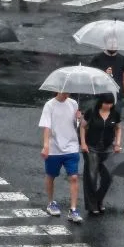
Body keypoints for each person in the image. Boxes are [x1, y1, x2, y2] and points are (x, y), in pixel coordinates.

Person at [39, 92, 82, 222]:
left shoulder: (74, 103)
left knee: (74, 177)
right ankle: (51, 202)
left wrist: (80, 118)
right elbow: (46, 127)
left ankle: (73, 210)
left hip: (71, 146)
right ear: (58, 90)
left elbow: (78, 125)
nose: (67, 93)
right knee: (51, 176)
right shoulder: (49, 105)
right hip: (54, 149)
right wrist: (46, 146)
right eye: (64, 90)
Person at [79, 93, 122, 215]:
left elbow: (118, 128)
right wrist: (83, 143)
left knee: (108, 177)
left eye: (110, 103)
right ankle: (92, 205)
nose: (108, 106)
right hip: (92, 148)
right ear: (100, 102)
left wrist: (117, 143)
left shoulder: (115, 114)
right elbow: (83, 127)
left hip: (107, 149)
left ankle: (98, 199)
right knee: (91, 177)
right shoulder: (91, 112)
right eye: (106, 103)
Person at [89, 41, 124, 112]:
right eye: (110, 43)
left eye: (115, 43)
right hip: (99, 98)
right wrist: (104, 74)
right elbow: (91, 78)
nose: (113, 45)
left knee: (115, 121)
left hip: (116, 99)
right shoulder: (97, 59)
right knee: (98, 121)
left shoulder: (122, 59)